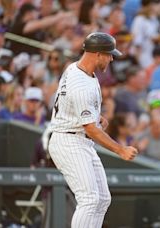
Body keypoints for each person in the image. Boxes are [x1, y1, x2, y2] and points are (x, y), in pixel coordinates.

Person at [46, 32, 138, 227]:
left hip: (77, 137)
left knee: (102, 199)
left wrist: (96, 117)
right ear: (97, 54)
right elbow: (90, 129)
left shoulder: (76, 69)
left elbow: (74, 107)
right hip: (69, 140)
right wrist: (120, 149)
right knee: (89, 200)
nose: (112, 58)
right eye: (109, 54)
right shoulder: (81, 84)